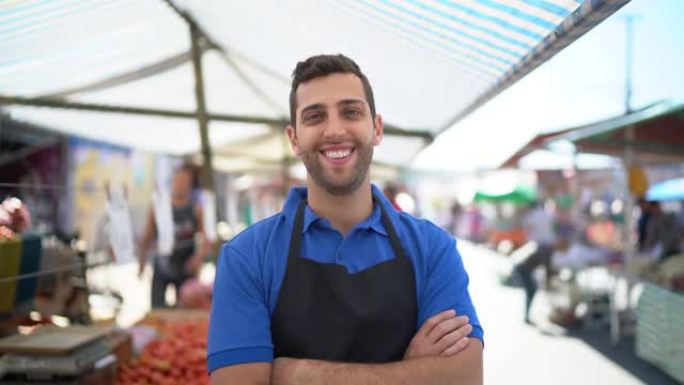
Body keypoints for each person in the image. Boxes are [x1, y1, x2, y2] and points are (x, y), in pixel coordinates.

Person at [208, 54, 483, 385]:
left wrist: (296, 374)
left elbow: (465, 377)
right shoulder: (247, 256)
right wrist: (413, 371)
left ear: (376, 128)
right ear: (294, 138)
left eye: (351, 112)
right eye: (315, 116)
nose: (335, 130)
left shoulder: (432, 248)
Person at [137, 164, 211, 308]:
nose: (180, 184)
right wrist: (141, 262)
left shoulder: (196, 209)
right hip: (162, 266)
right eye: (178, 180)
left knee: (186, 309)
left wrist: (197, 259)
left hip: (186, 267)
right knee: (158, 310)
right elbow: (147, 236)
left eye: (184, 181)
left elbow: (206, 239)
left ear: (190, 185)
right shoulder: (159, 207)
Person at [514, 200, 556, 324]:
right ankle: (527, 315)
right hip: (522, 267)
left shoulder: (540, 243)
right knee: (531, 290)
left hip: (522, 264)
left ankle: (527, 314)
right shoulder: (545, 247)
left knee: (531, 290)